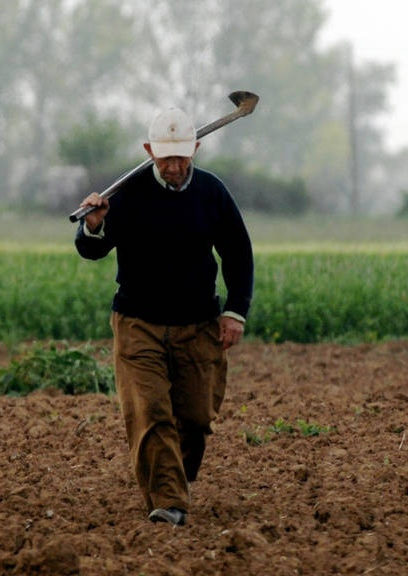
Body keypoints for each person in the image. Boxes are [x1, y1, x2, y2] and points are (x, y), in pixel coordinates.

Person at [74, 106, 254, 527]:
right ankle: (170, 501)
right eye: (165, 158)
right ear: (148, 150)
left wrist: (235, 312)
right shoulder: (127, 195)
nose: (174, 167)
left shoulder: (212, 194)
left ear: (195, 148)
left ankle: (172, 480)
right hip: (139, 324)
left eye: (181, 157)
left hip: (198, 324)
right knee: (150, 412)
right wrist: (94, 225)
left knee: (194, 419)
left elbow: (239, 255)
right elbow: (91, 250)